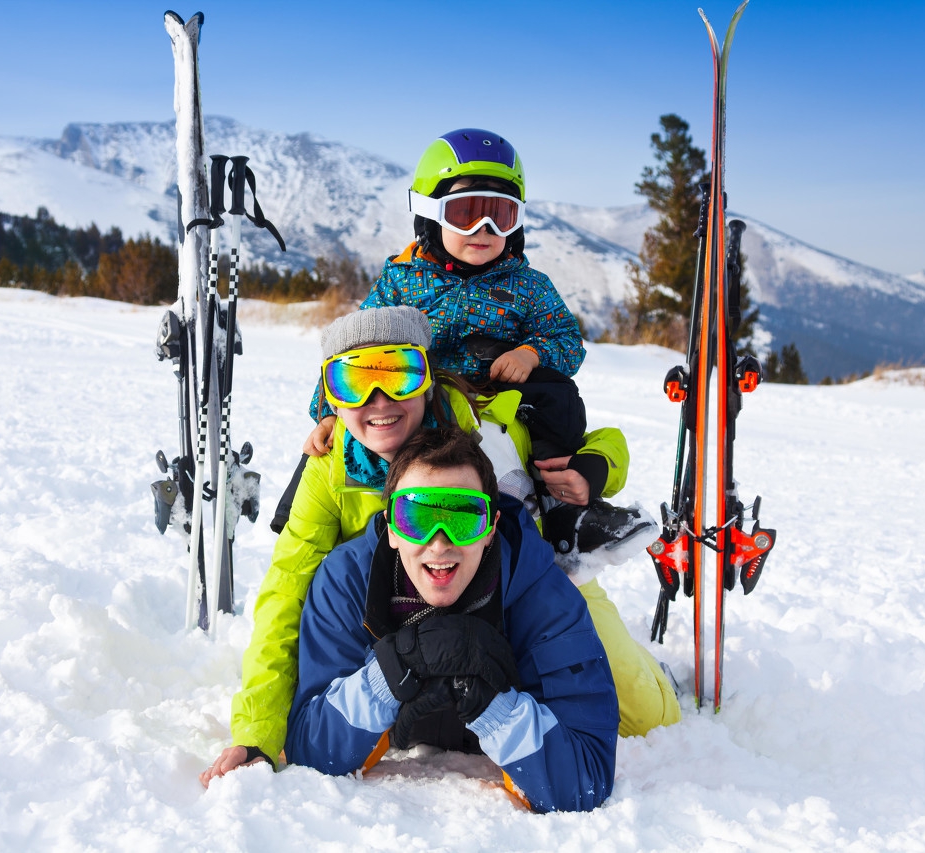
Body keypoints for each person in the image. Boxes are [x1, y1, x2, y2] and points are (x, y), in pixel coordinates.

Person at [199, 306, 679, 789]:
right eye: (354, 385)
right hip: (394, 604)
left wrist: (595, 469)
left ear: (426, 379)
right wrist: (258, 732)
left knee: (642, 714)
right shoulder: (330, 470)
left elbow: (598, 445)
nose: (379, 400)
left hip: (531, 583)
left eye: (400, 376)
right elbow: (286, 590)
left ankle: (656, 676)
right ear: (330, 400)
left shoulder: (485, 427)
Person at [297, 127, 634, 551]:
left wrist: (531, 353)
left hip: (500, 403)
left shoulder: (528, 285)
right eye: (465, 213)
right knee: (341, 446)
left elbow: (565, 338)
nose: (485, 228)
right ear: (430, 214)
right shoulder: (403, 279)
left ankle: (560, 508)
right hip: (420, 395)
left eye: (501, 215)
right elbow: (357, 346)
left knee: (559, 396)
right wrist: (329, 412)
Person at [285, 426, 617, 813]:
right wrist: (389, 675)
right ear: (391, 527)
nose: (440, 543)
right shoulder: (348, 581)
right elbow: (309, 752)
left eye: (462, 517)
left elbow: (586, 782)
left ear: (490, 529)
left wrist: (494, 707)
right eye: (417, 516)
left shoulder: (541, 593)